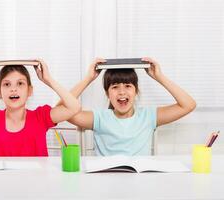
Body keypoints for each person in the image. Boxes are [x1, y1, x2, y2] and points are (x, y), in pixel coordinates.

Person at [60, 57, 196, 156]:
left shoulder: (148, 116)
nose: (122, 92)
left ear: (136, 90)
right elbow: (62, 110)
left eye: (128, 86)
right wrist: (88, 78)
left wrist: (159, 77)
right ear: (107, 93)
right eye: (115, 87)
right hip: (106, 180)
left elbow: (188, 105)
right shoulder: (99, 118)